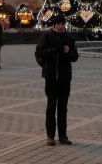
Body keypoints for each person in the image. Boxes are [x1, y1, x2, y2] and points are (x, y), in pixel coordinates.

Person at [35, 14, 78, 146]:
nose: (60, 26)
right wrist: (55, 50)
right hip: (51, 76)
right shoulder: (47, 36)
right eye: (58, 24)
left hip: (65, 77)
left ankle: (63, 135)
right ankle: (50, 136)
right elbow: (40, 53)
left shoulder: (69, 38)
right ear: (54, 25)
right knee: (51, 106)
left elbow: (75, 57)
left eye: (62, 24)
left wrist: (68, 51)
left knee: (63, 107)